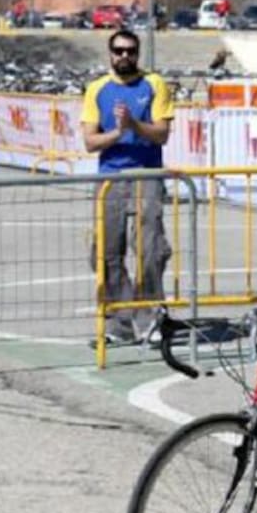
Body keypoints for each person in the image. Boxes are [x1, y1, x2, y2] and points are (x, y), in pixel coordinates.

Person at [81, 30, 175, 345]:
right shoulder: (97, 89)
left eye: (130, 51)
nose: (124, 56)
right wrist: (118, 133)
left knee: (150, 249)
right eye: (119, 51)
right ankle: (119, 319)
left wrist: (134, 125)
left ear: (138, 53)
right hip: (110, 178)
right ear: (110, 54)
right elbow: (91, 141)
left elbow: (162, 134)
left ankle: (149, 316)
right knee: (106, 251)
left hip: (146, 174)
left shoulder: (154, 84)